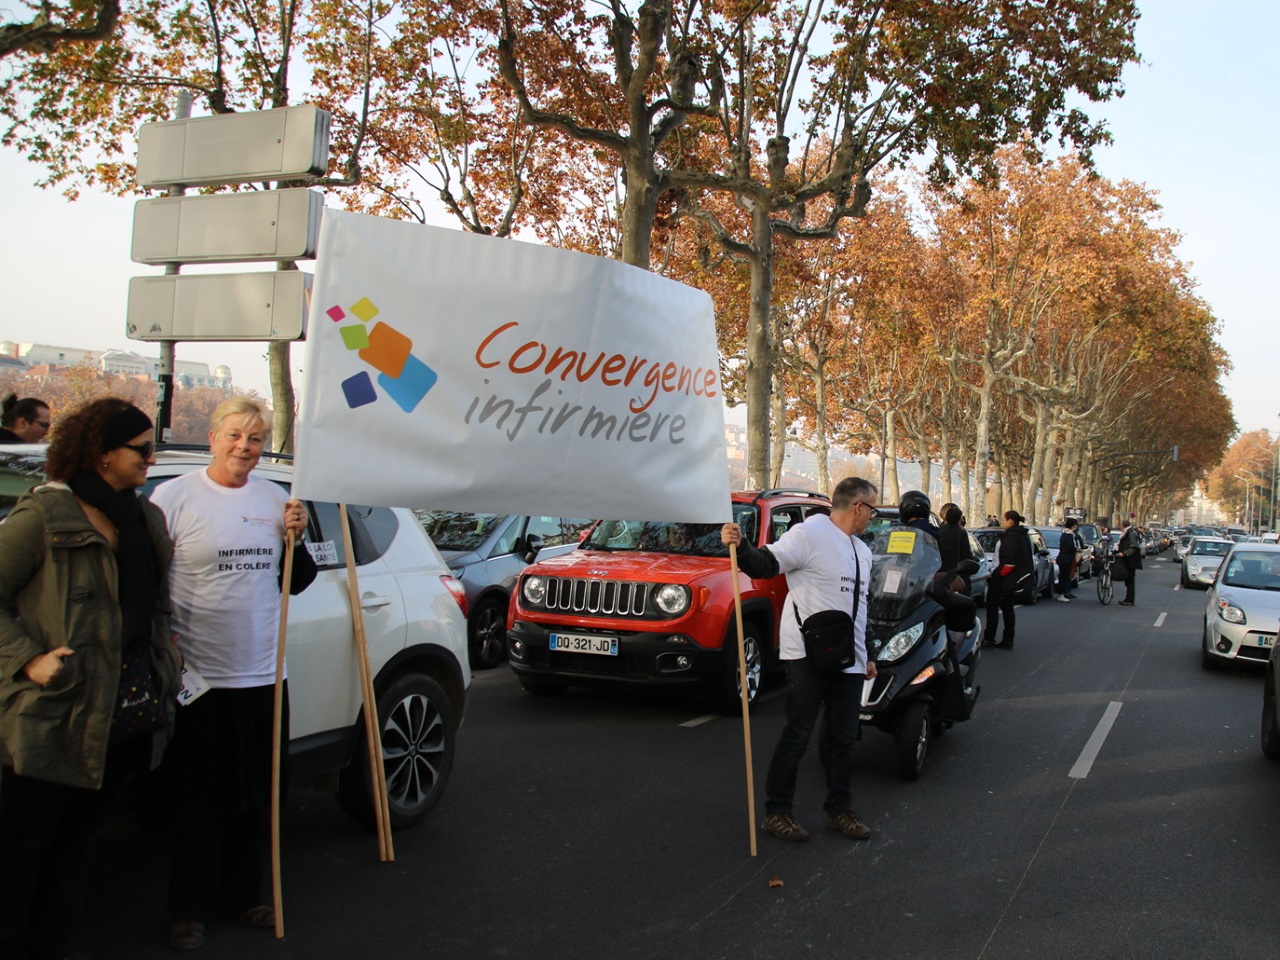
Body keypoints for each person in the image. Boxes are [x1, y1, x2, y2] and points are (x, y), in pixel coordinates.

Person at [0, 398, 181, 960]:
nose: (152, 459)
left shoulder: (143, 518)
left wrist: (164, 662)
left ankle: (52, 944)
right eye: (143, 450)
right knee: (22, 847)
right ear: (103, 455)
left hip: (122, 707)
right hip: (52, 709)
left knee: (78, 842)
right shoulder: (43, 517)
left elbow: (156, 604)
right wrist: (29, 659)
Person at [150, 397, 317, 951]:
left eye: (255, 438)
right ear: (213, 436)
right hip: (199, 675)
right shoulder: (175, 497)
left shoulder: (276, 499)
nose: (245, 447)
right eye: (235, 435)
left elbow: (296, 581)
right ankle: (188, 908)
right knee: (197, 797)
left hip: (264, 672)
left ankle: (244, 895)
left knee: (259, 794)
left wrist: (298, 535)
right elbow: (150, 580)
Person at [720, 476, 878, 843]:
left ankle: (840, 810)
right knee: (798, 735)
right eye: (871, 508)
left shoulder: (862, 550)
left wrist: (867, 651)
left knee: (842, 739)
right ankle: (777, 812)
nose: (872, 516)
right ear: (857, 506)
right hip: (807, 656)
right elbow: (764, 564)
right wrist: (740, 547)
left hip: (850, 661)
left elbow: (862, 606)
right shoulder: (809, 534)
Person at [982, 510, 1034, 649]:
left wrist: (996, 575)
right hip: (1012, 579)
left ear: (1011, 521)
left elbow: (1008, 562)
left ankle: (989, 637)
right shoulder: (1021, 535)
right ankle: (1008, 638)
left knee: (993, 607)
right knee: (1008, 609)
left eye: (1004, 520)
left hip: (1003, 579)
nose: (1002, 522)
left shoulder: (1011, 537)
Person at [1116, 519, 1143, 605]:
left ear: (1123, 525)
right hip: (1128, 560)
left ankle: (1130, 600)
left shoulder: (1130, 533)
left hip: (1130, 560)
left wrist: (1124, 553)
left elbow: (1133, 547)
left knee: (1130, 580)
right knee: (1128, 580)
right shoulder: (1129, 532)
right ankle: (1128, 599)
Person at [1055, 518, 1079, 601]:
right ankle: (1061, 594)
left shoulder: (1067, 534)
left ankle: (1065, 592)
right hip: (1066, 559)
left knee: (1066, 576)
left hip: (1065, 558)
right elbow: (1071, 547)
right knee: (1064, 576)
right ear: (1072, 526)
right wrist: (1075, 550)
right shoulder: (1068, 535)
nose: (1076, 527)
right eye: (1075, 525)